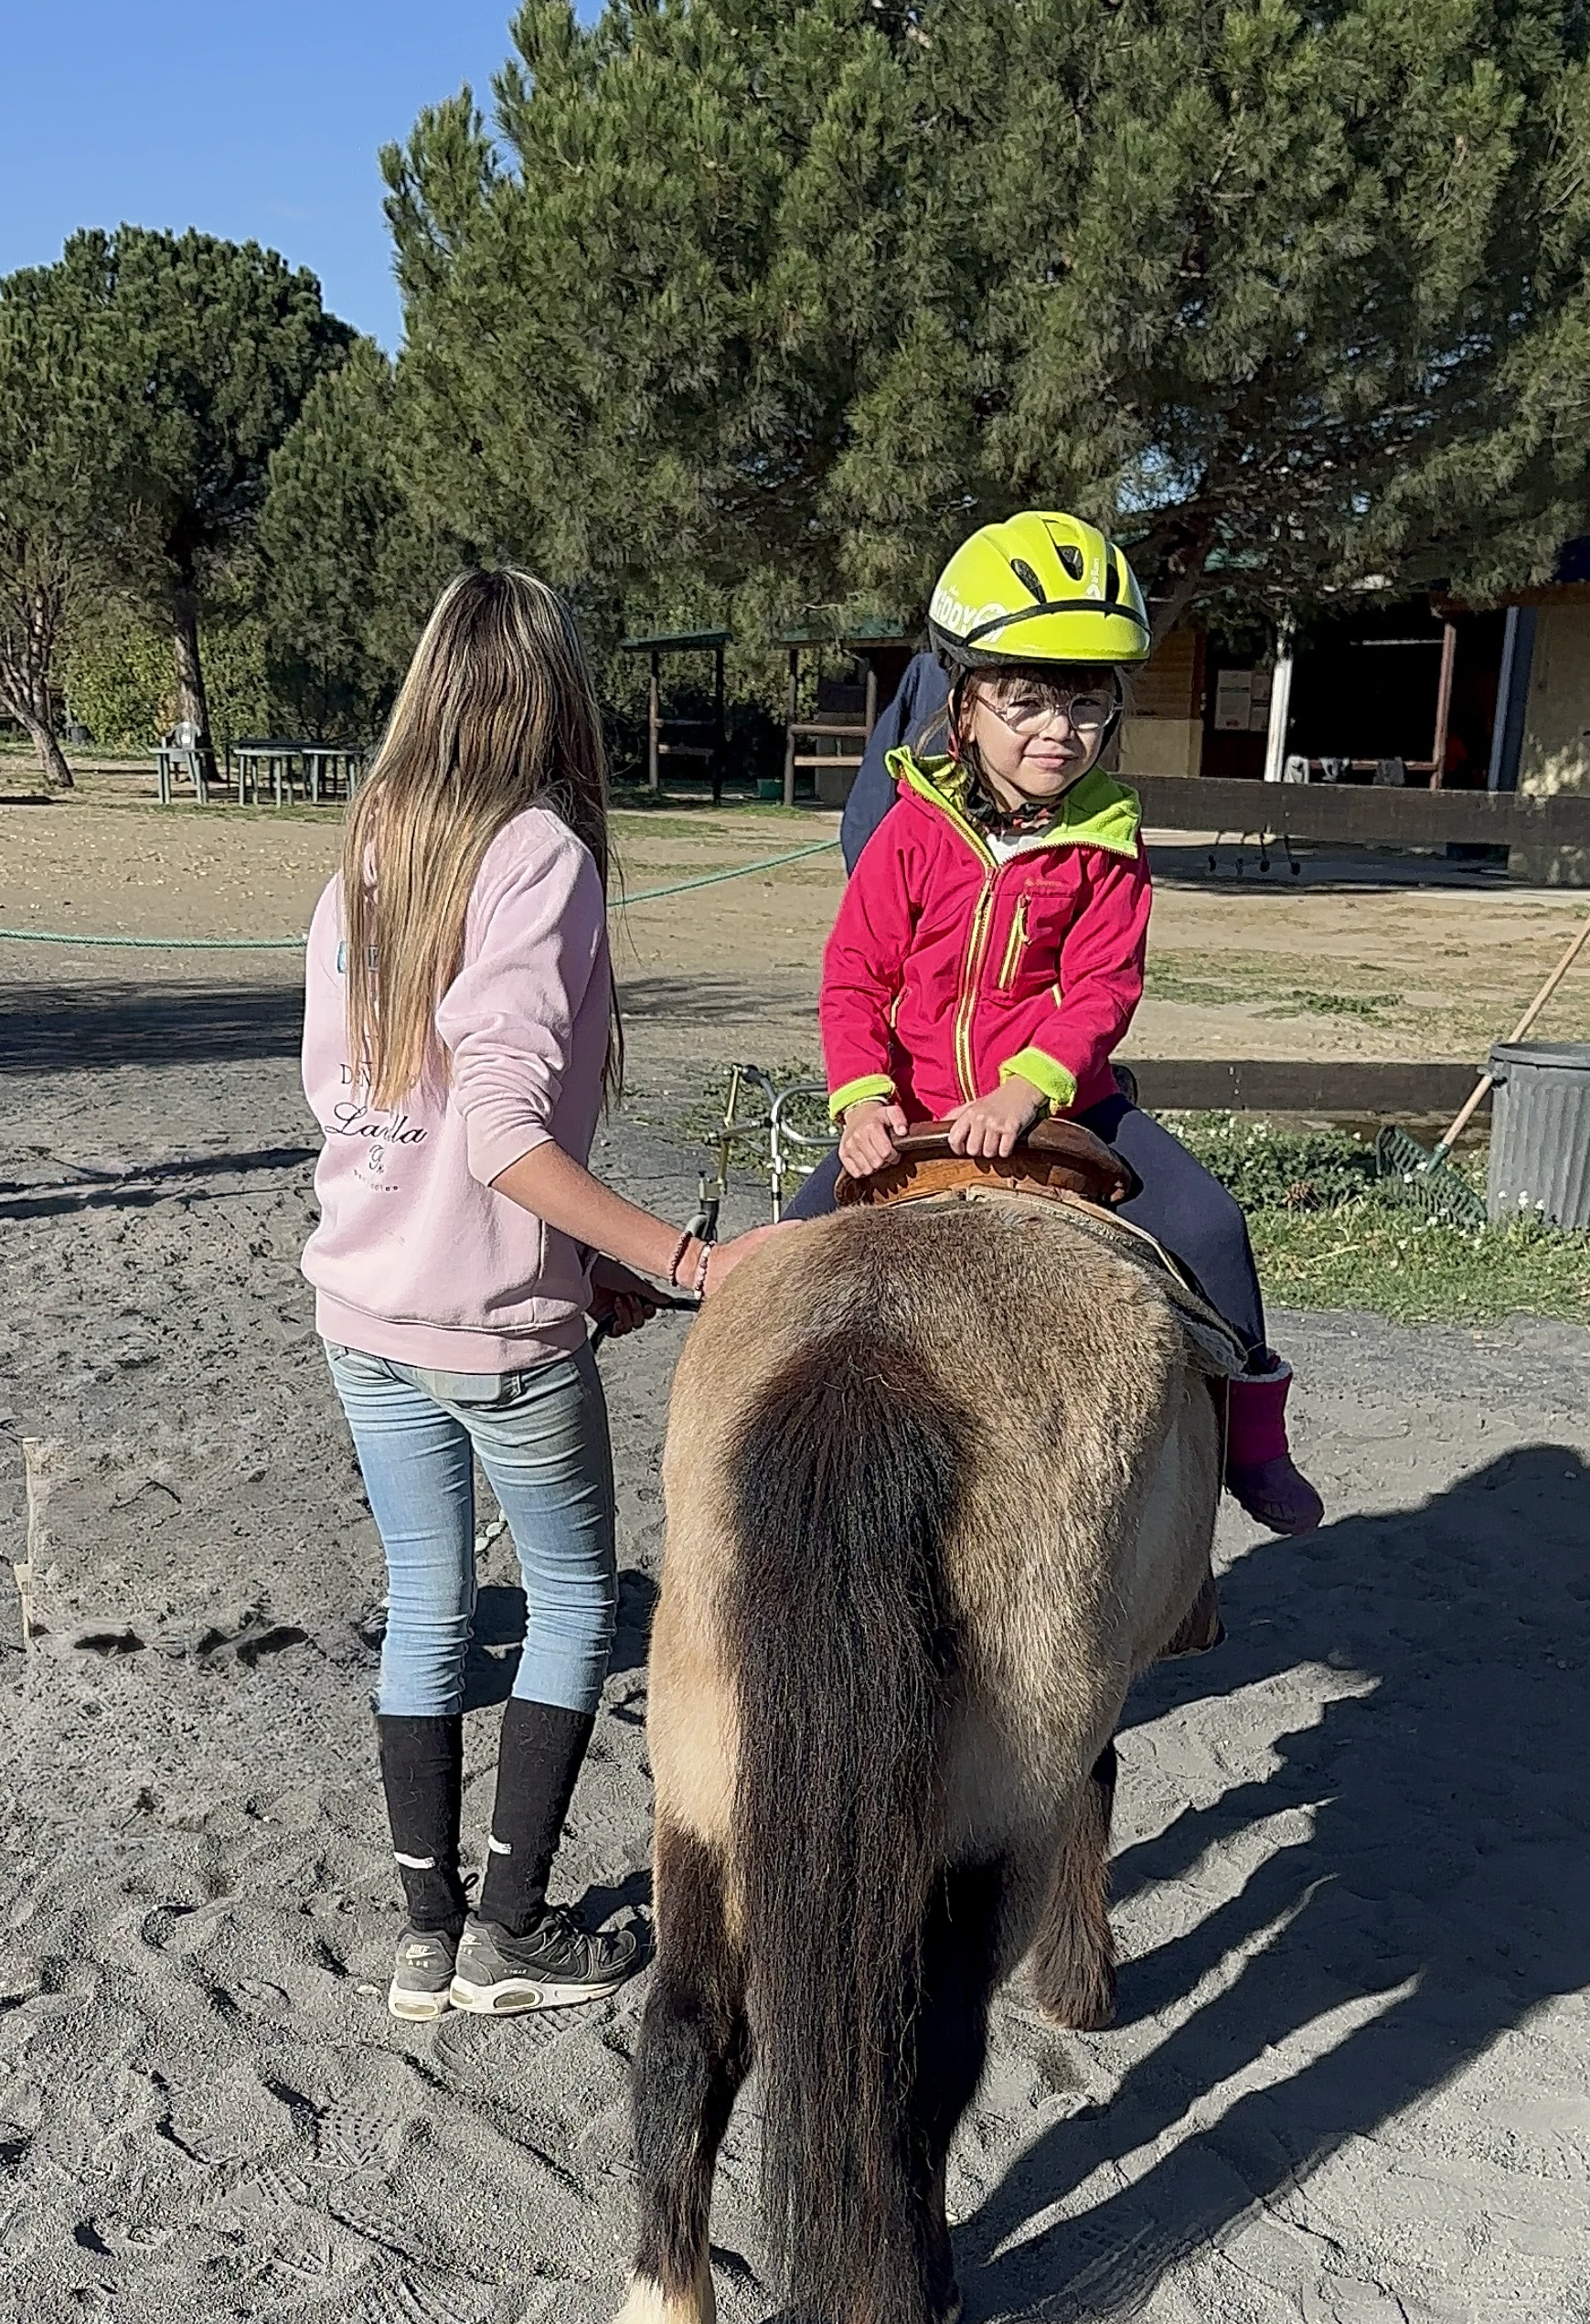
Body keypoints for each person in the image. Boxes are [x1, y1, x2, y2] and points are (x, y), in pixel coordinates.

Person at [301, 566, 761, 2024]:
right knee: (569, 1599)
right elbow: (497, 1134)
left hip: (365, 1311)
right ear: (552, 696)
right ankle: (512, 1928)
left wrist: (580, 1263)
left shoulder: (371, 845)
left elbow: (367, 1105)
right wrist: (680, 1262)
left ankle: (423, 1937)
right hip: (490, 1333)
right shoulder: (538, 852)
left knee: (426, 1603)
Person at [786, 511, 1323, 1537]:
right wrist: (860, 1098)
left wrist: (1027, 1087)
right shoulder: (911, 829)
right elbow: (853, 975)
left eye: (1084, 702)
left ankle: (1252, 1433)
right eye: (1024, 698)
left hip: (1063, 1100)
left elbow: (1101, 989)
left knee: (1213, 1227)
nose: (1054, 729)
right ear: (964, 705)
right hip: (908, 1111)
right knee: (769, 1265)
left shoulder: (1106, 841)